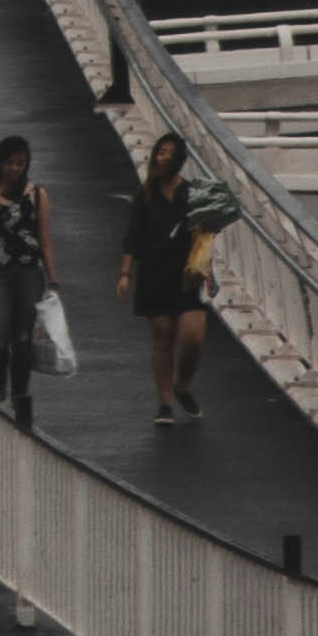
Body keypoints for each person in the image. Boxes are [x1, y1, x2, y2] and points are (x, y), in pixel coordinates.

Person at [122, 129, 215, 433]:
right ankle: (164, 401)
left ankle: (183, 385)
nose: (161, 158)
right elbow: (133, 237)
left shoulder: (191, 194)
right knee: (163, 339)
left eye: (167, 153)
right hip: (154, 271)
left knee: (192, 336)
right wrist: (125, 274)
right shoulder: (145, 196)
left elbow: (205, 233)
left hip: (186, 273)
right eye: (159, 152)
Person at [0, 133, 57, 428]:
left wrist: (53, 279)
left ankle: (19, 391)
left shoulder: (37, 195)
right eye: (9, 163)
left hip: (29, 272)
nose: (14, 169)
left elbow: (45, 240)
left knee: (23, 337)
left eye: (20, 163)